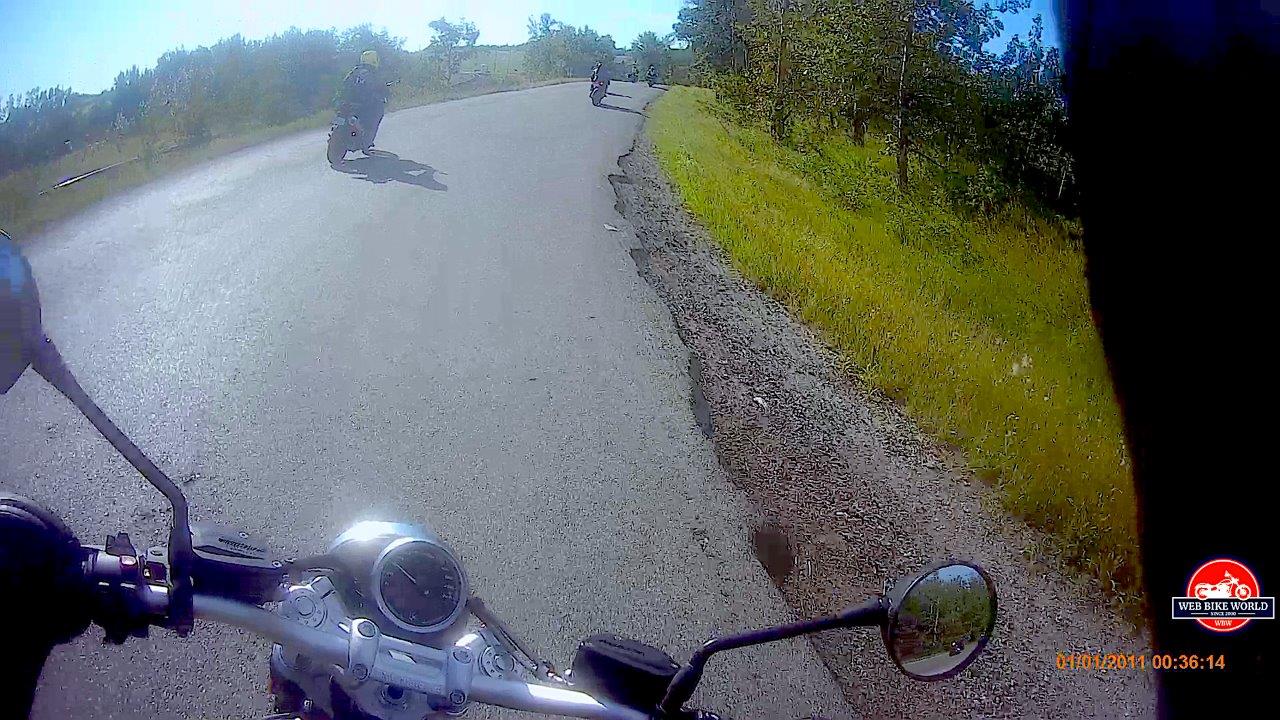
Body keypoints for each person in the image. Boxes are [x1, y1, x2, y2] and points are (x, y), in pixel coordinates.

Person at [337, 49, 388, 152]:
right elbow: (380, 87)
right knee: (378, 113)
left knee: (341, 115)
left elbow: (344, 83)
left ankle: (355, 135)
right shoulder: (373, 73)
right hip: (365, 104)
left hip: (348, 102)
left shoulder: (354, 71)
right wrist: (384, 94)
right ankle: (367, 141)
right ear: (374, 60)